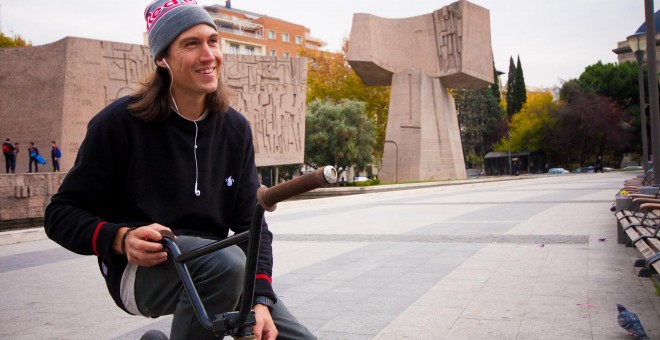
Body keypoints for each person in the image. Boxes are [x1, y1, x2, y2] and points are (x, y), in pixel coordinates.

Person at [44, 2, 315, 340]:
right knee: (227, 267)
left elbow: (251, 223)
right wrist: (120, 238)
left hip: (222, 267)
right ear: (162, 58)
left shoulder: (235, 129)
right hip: (142, 271)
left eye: (213, 41)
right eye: (191, 44)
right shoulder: (118, 124)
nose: (208, 54)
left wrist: (260, 299)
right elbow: (59, 214)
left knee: (297, 337)